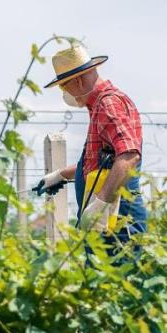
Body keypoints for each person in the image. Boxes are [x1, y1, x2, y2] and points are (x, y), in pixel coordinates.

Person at [34, 44, 146, 256]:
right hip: (107, 218)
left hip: (116, 219)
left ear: (77, 81)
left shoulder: (108, 104)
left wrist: (101, 203)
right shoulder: (99, 106)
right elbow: (103, 162)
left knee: (115, 283)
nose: (64, 93)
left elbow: (129, 155)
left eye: (63, 86)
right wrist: (60, 175)